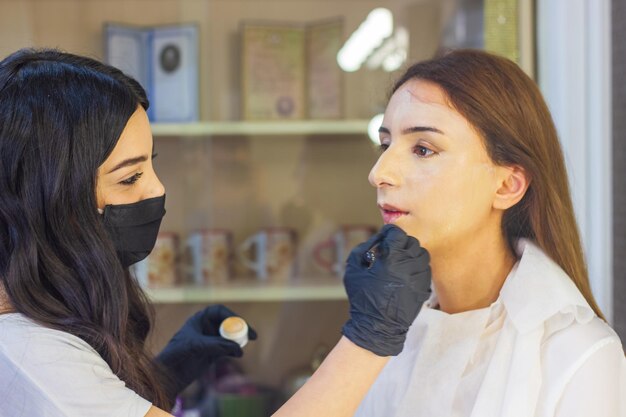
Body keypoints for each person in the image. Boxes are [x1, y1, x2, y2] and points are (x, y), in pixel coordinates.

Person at [0, 48, 432, 417]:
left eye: (151, 163)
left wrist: (166, 374)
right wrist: (371, 336)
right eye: (130, 178)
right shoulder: (27, 354)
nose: (158, 189)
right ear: (52, 203)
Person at [353, 49, 626, 417]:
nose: (379, 173)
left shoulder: (578, 355)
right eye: (385, 144)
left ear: (507, 186)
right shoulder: (385, 329)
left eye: (423, 148)